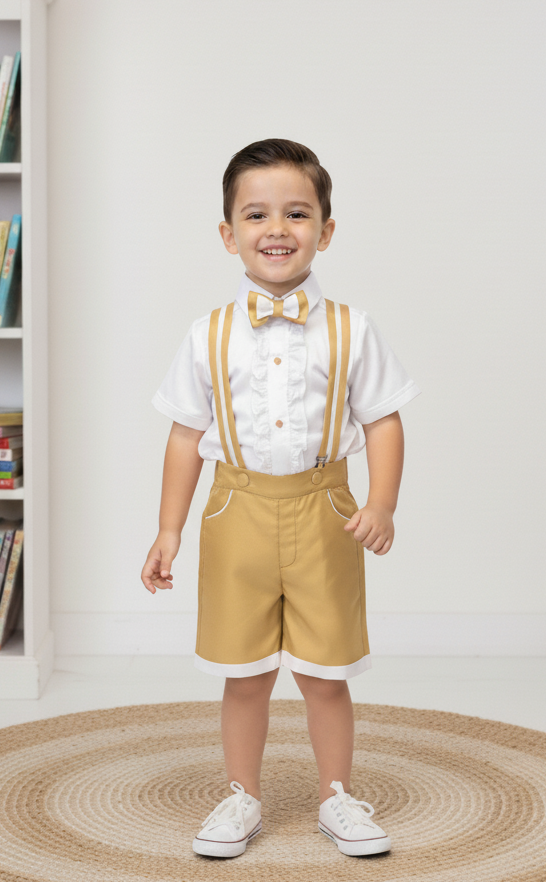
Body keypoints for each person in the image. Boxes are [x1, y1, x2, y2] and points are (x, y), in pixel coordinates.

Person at [141, 138, 420, 859]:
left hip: (327, 512)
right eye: (256, 214)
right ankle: (243, 796)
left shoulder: (354, 328)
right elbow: (185, 436)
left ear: (326, 230)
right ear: (228, 233)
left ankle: (336, 796)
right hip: (235, 512)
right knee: (245, 673)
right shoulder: (207, 334)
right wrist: (169, 529)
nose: (277, 228)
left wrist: (382, 503)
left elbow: (383, 420)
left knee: (326, 673)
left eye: (297, 213)